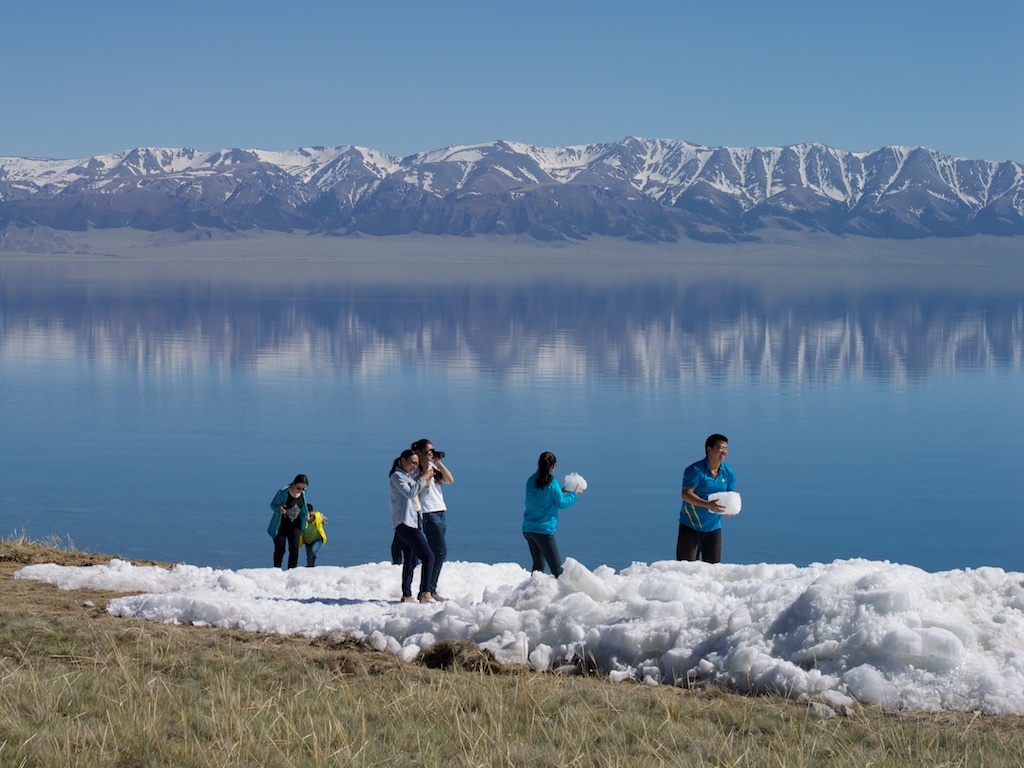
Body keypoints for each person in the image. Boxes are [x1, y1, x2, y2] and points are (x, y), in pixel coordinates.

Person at [522, 451, 583, 577]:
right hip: (543, 532)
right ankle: (565, 596)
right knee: (557, 571)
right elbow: (561, 503)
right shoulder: (552, 483)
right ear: (554, 466)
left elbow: (543, 498)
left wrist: (561, 491)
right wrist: (574, 494)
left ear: (538, 464)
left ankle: (532, 593)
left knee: (538, 567)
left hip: (528, 530)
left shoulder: (530, 481)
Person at [677, 434, 736, 563]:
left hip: (714, 527)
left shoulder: (729, 473)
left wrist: (729, 509)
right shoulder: (695, 470)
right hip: (690, 526)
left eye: (726, 448)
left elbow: (729, 497)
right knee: (686, 570)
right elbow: (686, 494)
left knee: (713, 570)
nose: (724, 452)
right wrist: (707, 505)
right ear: (709, 449)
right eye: (721, 448)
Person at [389, 449, 437, 603]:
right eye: (412, 462)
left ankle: (407, 594)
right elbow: (410, 493)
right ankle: (425, 593)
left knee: (411, 558)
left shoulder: (408, 477)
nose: (414, 466)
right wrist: (422, 478)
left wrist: (426, 483)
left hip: (413, 522)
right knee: (429, 556)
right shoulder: (397, 477)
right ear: (402, 460)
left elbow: (417, 497)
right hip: (405, 523)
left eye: (416, 463)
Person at [411, 438, 454, 600]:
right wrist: (426, 473)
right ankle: (428, 590)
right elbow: (419, 488)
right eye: (429, 451)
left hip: (441, 512)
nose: (431, 454)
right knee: (440, 552)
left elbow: (450, 480)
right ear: (420, 453)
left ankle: (428, 589)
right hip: (429, 514)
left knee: (435, 552)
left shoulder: (433, 467)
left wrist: (438, 464)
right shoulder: (416, 471)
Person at [268, 474, 309, 570]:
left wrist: (306, 515)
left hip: (295, 525)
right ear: (293, 484)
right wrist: (279, 509)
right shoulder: (283, 492)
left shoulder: (303, 493)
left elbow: (303, 506)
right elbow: (273, 505)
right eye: (299, 488)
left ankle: (292, 571)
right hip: (280, 526)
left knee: (294, 549)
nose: (300, 490)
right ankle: (277, 570)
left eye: (303, 488)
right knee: (280, 549)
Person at [302, 503, 328, 567]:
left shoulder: (318, 516)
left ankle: (311, 568)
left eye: (310, 514)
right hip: (307, 541)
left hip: (317, 539)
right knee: (309, 557)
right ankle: (310, 569)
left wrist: (323, 521)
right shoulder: (302, 519)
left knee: (313, 552)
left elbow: (325, 520)